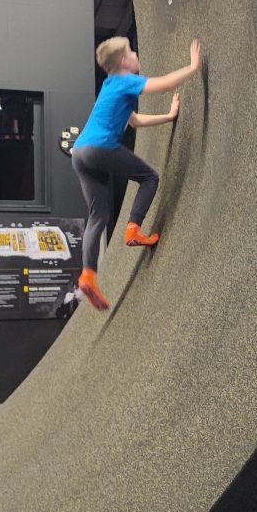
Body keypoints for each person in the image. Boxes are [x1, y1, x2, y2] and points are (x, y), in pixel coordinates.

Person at [71, 36, 202, 312]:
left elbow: (135, 120)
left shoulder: (110, 86)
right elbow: (166, 83)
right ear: (123, 61)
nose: (136, 55)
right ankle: (134, 228)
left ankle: (88, 276)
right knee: (149, 178)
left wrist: (168, 116)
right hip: (99, 148)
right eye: (131, 52)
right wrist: (192, 67)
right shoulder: (125, 81)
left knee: (98, 216)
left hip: (80, 153)